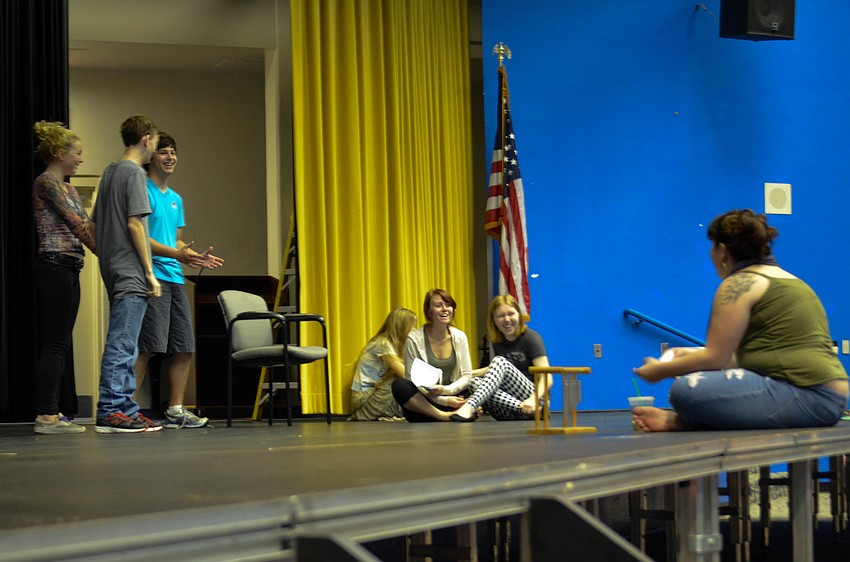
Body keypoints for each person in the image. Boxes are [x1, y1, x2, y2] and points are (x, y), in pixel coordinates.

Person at [632, 209, 849, 432]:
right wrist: (694, 354)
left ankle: (680, 421)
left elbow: (716, 358)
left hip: (808, 396)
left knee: (685, 390)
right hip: (832, 397)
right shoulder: (792, 281)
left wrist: (659, 371)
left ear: (722, 250)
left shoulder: (739, 283)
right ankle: (683, 421)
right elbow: (766, 356)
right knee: (698, 382)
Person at [133, 132, 222, 429]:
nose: (171, 157)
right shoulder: (141, 190)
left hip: (174, 276)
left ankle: (176, 410)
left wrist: (193, 256)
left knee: (184, 346)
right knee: (148, 346)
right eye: (164, 152)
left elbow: (176, 239)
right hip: (151, 276)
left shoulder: (175, 199)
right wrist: (177, 253)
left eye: (173, 152)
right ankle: (126, 410)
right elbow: (142, 237)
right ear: (151, 158)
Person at [91, 115, 164, 434]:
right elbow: (136, 223)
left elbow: (95, 226)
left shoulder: (108, 173)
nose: (154, 152)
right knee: (123, 342)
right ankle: (110, 409)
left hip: (114, 268)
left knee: (128, 342)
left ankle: (125, 408)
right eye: (156, 145)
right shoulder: (134, 174)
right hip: (130, 271)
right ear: (146, 139)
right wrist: (150, 272)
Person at [31, 121, 97, 434]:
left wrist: (103, 250)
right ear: (59, 153)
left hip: (71, 267)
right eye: (78, 153)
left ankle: (53, 413)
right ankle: (46, 415)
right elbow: (77, 223)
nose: (81, 159)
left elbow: (87, 228)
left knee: (61, 341)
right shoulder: (46, 182)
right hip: (53, 266)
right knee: (55, 342)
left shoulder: (69, 188)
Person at [450, 294, 552, 422]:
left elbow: (547, 376)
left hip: (536, 400)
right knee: (471, 381)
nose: (507, 319)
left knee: (499, 361)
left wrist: (532, 399)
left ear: (519, 315)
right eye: (501, 316)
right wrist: (467, 374)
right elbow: (495, 370)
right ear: (493, 319)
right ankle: (524, 408)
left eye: (511, 314)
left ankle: (470, 406)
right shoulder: (497, 340)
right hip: (511, 409)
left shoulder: (530, 338)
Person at [391, 289, 472, 422]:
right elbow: (412, 380)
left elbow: (466, 376)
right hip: (427, 402)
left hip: (453, 396)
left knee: (475, 385)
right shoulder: (414, 339)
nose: (444, 309)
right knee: (400, 385)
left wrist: (446, 391)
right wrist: (444, 401)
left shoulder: (460, 337)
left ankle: (459, 412)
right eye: (438, 305)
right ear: (429, 311)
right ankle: (443, 416)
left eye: (448, 305)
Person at [348, 307, 417, 421]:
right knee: (398, 381)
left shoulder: (390, 344)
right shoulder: (382, 344)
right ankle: (363, 414)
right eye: (412, 327)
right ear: (402, 327)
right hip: (362, 398)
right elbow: (406, 374)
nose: (414, 330)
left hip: (372, 394)